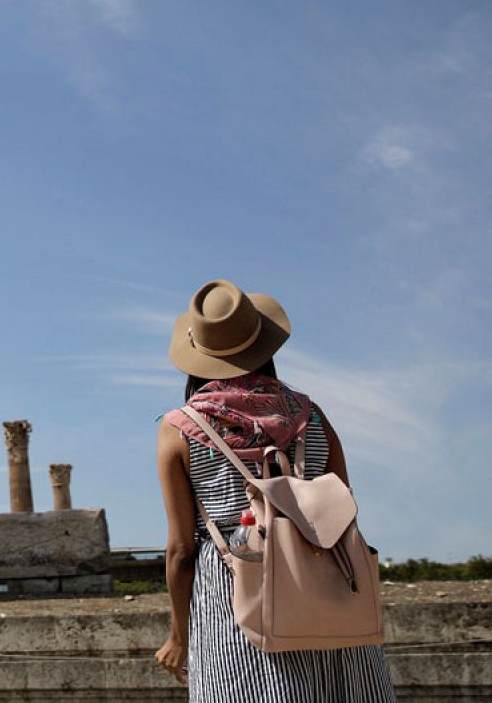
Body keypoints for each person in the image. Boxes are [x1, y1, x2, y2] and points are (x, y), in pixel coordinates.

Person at [153, 279, 395, 701]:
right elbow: (343, 511)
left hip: (235, 595)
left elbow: (181, 551)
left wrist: (178, 635)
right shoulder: (313, 416)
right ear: (263, 347)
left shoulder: (179, 429)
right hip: (326, 591)